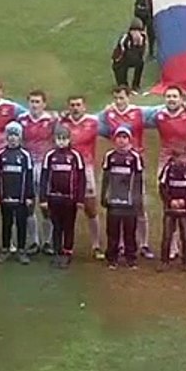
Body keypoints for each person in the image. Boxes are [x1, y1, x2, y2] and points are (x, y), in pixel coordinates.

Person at [99, 86, 153, 260]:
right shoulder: (108, 113)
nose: (118, 101)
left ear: (128, 97)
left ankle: (144, 244)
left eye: (121, 98)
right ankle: (120, 245)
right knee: (119, 204)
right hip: (119, 163)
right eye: (116, 98)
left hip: (136, 163)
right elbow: (93, 120)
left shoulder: (139, 111)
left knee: (139, 205)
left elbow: (159, 111)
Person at [59, 95, 106, 260]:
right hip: (65, 169)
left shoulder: (93, 122)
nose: (75, 108)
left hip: (86, 170)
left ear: (84, 106)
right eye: (72, 105)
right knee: (63, 207)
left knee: (90, 208)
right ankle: (61, 244)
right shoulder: (62, 123)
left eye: (78, 105)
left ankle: (96, 245)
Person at [39, 125, 86, 269]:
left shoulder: (75, 156)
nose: (61, 142)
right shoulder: (50, 156)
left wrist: (80, 199)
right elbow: (44, 178)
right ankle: (57, 251)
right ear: (54, 139)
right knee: (56, 226)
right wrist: (43, 198)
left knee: (68, 226)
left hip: (70, 199)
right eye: (58, 139)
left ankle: (67, 252)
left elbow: (82, 179)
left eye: (64, 139)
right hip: (54, 198)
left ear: (69, 139)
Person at [101, 126, 144, 270]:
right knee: (112, 231)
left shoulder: (135, 157)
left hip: (129, 202)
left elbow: (138, 180)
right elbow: (106, 178)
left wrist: (137, 200)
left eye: (124, 137)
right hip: (114, 201)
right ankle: (112, 258)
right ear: (115, 139)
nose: (121, 140)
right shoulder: (109, 156)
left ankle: (130, 257)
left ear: (129, 139)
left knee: (129, 231)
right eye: (119, 137)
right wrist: (104, 196)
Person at [18, 90, 55, 255]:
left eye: (37, 102)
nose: (34, 105)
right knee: (29, 204)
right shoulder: (22, 120)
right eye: (32, 101)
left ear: (44, 104)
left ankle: (47, 241)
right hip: (28, 166)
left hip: (45, 166)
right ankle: (33, 241)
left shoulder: (52, 121)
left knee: (47, 205)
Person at [0, 122, 35, 265]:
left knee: (21, 224)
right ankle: (5, 248)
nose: (12, 138)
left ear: (20, 137)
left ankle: (21, 250)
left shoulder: (25, 155)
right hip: (5, 197)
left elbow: (29, 176)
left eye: (15, 135)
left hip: (21, 198)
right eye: (10, 135)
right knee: (6, 223)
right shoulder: (1, 155)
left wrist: (29, 196)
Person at [157, 151, 186, 273]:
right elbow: (162, 186)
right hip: (170, 208)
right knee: (167, 235)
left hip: (185, 208)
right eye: (179, 158)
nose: (181, 160)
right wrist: (169, 200)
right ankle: (164, 261)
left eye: (183, 157)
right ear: (174, 158)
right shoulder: (168, 169)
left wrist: (185, 200)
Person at [111, 19, 148, 93]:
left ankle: (136, 85)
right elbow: (121, 52)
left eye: (138, 31)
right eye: (134, 31)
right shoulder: (125, 38)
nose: (136, 33)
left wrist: (139, 45)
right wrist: (132, 44)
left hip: (132, 58)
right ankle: (123, 85)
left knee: (140, 63)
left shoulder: (143, 38)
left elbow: (141, 54)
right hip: (121, 59)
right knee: (121, 69)